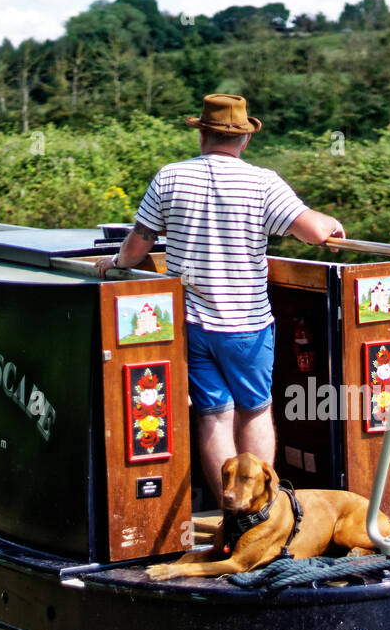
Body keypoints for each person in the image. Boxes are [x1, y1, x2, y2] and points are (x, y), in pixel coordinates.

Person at [97, 93, 344, 502]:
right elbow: (314, 232)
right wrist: (330, 222)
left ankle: (229, 512)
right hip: (248, 325)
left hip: (193, 323)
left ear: (202, 136)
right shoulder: (263, 181)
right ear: (245, 140)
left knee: (213, 416)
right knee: (256, 409)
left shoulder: (169, 178)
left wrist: (115, 262)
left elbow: (139, 245)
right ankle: (259, 512)